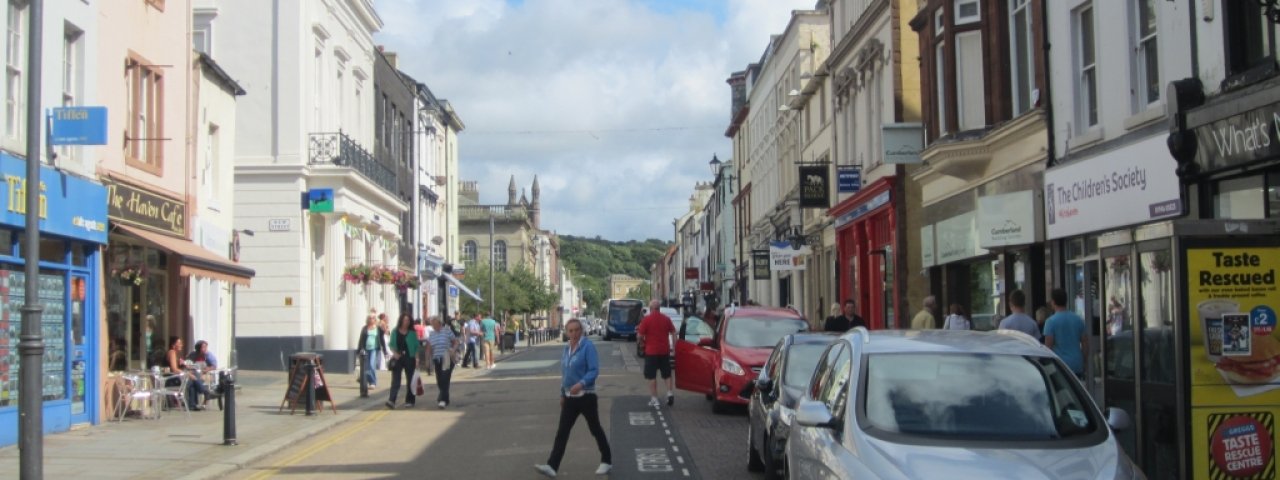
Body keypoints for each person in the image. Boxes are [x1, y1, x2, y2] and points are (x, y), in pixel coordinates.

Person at [534, 319, 612, 478]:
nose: (574, 333)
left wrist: (581, 384)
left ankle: (607, 460)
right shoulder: (566, 349)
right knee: (562, 431)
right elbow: (566, 374)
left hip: (586, 396)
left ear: (581, 330)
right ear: (566, 332)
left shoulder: (588, 347)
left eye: (577, 330)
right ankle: (552, 466)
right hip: (570, 398)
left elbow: (594, 370)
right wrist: (562, 393)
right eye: (570, 331)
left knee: (594, 428)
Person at [637, 300, 676, 407]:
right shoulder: (666, 319)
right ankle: (669, 393)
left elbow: (640, 335)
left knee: (651, 376)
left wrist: (641, 344)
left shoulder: (647, 320)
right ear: (659, 308)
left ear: (650, 309)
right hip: (664, 351)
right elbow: (673, 332)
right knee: (667, 374)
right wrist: (674, 346)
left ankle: (654, 398)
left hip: (651, 352)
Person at [1044, 288, 1088, 379]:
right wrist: (1084, 361)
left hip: (1060, 366)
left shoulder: (1050, 321)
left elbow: (1048, 347)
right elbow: (1085, 343)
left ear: (1053, 302)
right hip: (1076, 364)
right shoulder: (1078, 319)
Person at [164, 337, 216, 411]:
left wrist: (184, 365)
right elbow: (174, 369)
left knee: (193, 379)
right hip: (172, 380)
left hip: (177, 377)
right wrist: (187, 374)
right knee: (192, 379)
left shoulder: (175, 354)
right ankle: (205, 392)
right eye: (179, 343)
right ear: (173, 345)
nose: (181, 345)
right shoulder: (172, 352)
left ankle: (192, 404)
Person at [424, 315, 460, 409]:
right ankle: (445, 398)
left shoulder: (447, 330)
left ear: (439, 323)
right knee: (440, 380)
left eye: (434, 323)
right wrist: (427, 360)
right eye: (432, 324)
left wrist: (453, 349)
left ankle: (442, 399)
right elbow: (429, 348)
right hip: (437, 359)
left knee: (444, 378)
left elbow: (456, 341)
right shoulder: (432, 334)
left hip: (447, 357)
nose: (433, 325)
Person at [385, 313, 420, 409]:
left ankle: (410, 400)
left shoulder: (412, 333)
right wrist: (394, 353)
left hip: (410, 357)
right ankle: (391, 400)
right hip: (398, 357)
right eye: (405, 320)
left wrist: (417, 359)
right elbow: (391, 344)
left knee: (410, 380)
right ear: (401, 320)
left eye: (408, 320)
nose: (407, 322)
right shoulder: (395, 331)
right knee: (396, 380)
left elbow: (416, 347)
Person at [357, 315, 387, 388]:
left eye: (373, 318)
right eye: (370, 318)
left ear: (375, 320)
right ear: (367, 319)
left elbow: (382, 339)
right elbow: (361, 339)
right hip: (365, 349)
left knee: (371, 365)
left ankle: (373, 382)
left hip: (374, 349)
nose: (371, 319)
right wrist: (359, 350)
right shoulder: (364, 328)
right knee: (366, 367)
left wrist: (385, 350)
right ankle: (369, 381)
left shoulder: (378, 329)